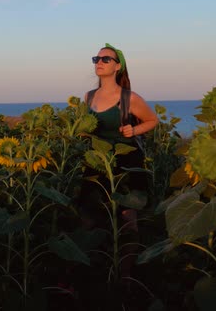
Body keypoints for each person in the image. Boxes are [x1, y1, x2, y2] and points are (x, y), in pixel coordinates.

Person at [80, 43, 158, 278]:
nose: (99, 63)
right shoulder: (88, 97)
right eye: (97, 59)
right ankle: (95, 269)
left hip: (126, 162)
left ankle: (125, 274)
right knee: (88, 215)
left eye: (106, 59)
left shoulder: (129, 98)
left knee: (127, 219)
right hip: (96, 162)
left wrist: (133, 131)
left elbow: (152, 120)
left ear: (118, 66)